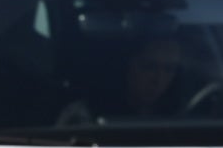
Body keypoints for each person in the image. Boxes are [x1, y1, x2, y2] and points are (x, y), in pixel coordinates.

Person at [57, 34, 186, 125]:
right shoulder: (85, 115)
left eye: (169, 69)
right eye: (149, 67)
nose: (159, 79)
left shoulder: (188, 117)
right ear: (128, 66)